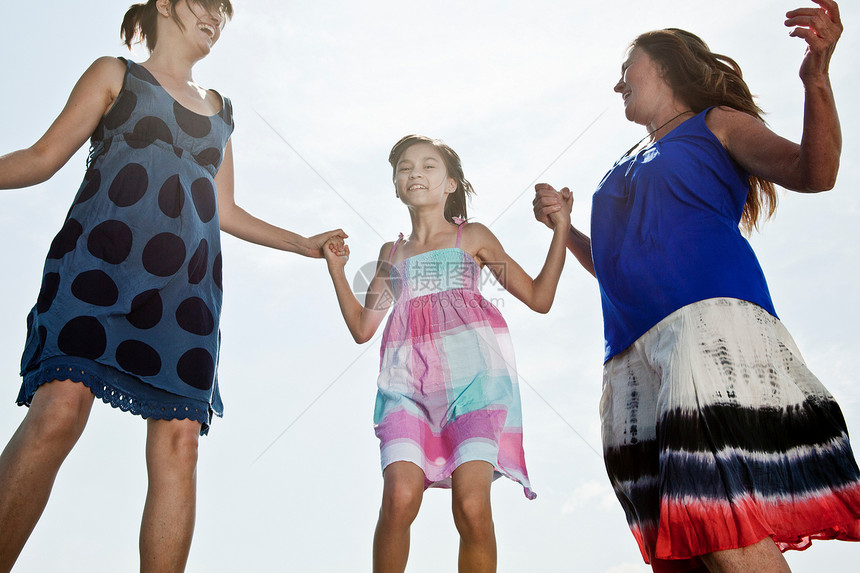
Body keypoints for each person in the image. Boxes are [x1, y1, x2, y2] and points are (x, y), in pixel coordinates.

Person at [0, 1, 344, 571]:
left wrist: (302, 243)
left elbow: (226, 210)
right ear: (165, 4)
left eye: (224, 13)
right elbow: (42, 158)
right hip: (97, 267)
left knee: (181, 444)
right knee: (60, 408)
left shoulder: (220, 112)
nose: (216, 17)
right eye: (206, 4)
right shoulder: (117, 75)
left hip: (185, 295)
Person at [533, 1, 860, 572]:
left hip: (703, 329)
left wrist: (817, 77)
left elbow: (817, 172)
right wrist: (566, 228)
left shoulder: (714, 124)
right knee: (689, 544)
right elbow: (615, 263)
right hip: (630, 352)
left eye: (627, 67)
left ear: (664, 64)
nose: (618, 84)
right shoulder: (621, 163)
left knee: (713, 509)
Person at [322, 134, 569, 572]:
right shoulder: (391, 254)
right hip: (407, 389)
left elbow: (538, 296)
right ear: (396, 186)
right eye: (404, 168)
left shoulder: (471, 237)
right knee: (398, 498)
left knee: (472, 507)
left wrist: (562, 229)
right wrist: (337, 271)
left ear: (451, 184)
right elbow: (364, 327)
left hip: (474, 388)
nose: (415, 172)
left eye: (428, 165)